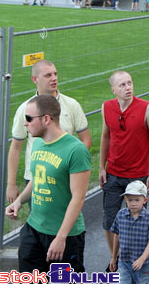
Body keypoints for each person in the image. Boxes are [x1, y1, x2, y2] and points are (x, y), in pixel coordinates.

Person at [5, 94, 91, 284]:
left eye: (29, 118)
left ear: (46, 119)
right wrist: (19, 201)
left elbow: (78, 198)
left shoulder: (75, 150)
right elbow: (37, 179)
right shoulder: (37, 143)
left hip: (65, 235)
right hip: (34, 230)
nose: (25, 124)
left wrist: (61, 237)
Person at [99, 71, 149, 271]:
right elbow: (105, 137)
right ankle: (115, 258)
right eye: (123, 85)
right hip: (113, 174)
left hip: (137, 176)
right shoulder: (106, 108)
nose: (128, 87)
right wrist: (101, 167)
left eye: (130, 83)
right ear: (113, 89)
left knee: (139, 221)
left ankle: (138, 261)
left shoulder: (146, 108)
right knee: (109, 221)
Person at [6, 60, 92, 204]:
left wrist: (72, 163)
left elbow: (86, 140)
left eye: (55, 74)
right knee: (39, 219)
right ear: (35, 79)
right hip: (36, 178)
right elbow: (15, 147)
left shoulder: (72, 105)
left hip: (64, 176)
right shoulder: (25, 109)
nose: (54, 78)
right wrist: (11, 183)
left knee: (66, 216)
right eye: (48, 75)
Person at [109, 181, 149, 284]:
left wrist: (142, 259)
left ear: (145, 200)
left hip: (143, 265)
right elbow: (116, 235)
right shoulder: (120, 215)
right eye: (130, 200)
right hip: (124, 263)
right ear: (125, 199)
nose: (133, 203)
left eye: (137, 200)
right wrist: (113, 257)